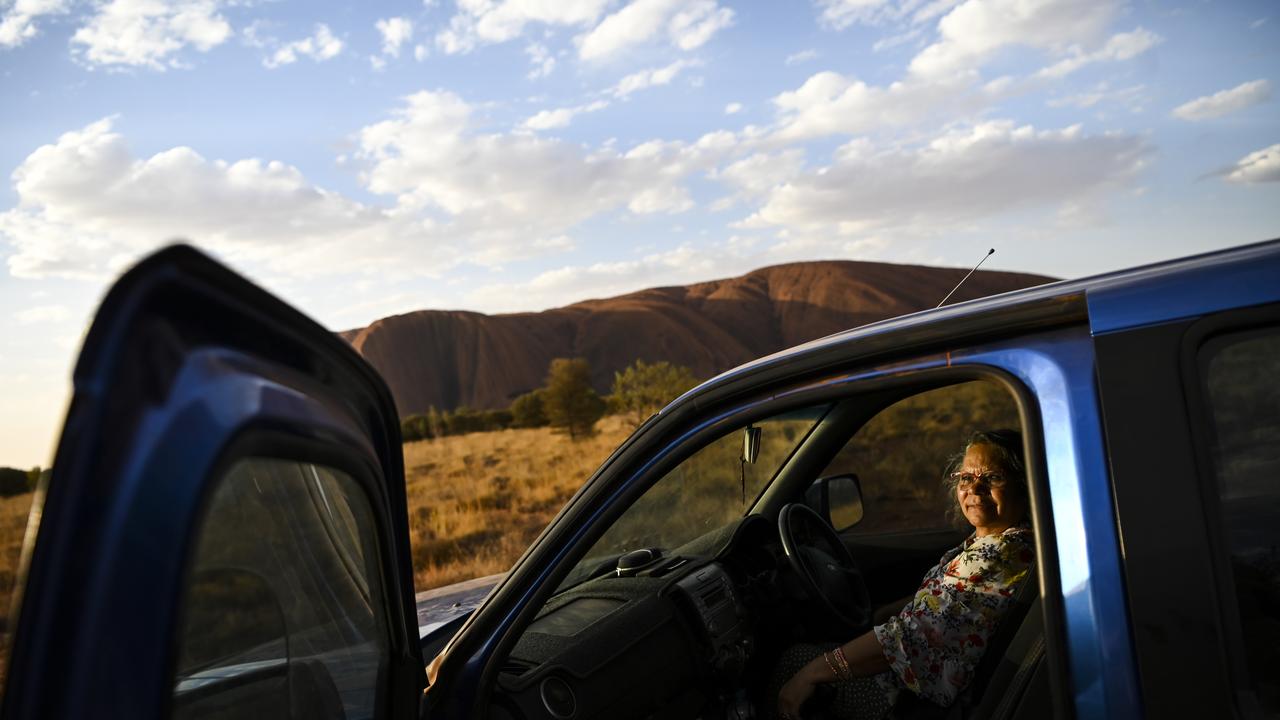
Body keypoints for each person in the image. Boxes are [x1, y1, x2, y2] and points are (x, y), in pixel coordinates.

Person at [773, 429, 1035, 720]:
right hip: (917, 681)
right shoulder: (1005, 542)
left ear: (1023, 485)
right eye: (966, 478)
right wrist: (887, 611)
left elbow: (907, 639)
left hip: (904, 699)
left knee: (794, 661)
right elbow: (949, 601)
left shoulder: (996, 555)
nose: (974, 489)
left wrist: (811, 674)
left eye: (992, 477)